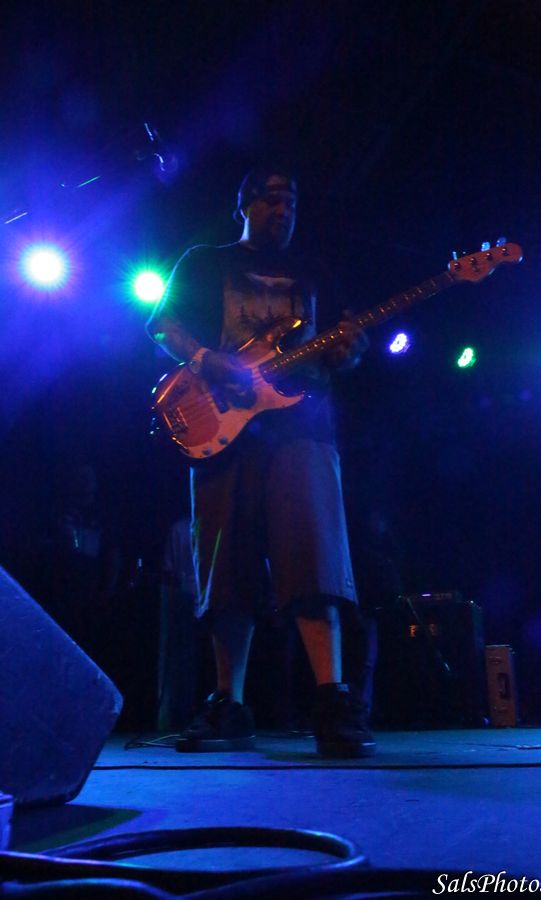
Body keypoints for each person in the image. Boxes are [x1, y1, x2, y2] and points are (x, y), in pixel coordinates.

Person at [147, 165, 374, 757]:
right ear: (245, 203)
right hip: (223, 428)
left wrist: (350, 350)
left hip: (303, 427)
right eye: (273, 198)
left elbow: (345, 344)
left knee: (314, 558)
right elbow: (162, 325)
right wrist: (206, 359)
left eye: (292, 200)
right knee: (226, 568)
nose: (285, 209)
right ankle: (229, 704)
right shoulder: (205, 262)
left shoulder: (316, 271)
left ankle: (332, 699)